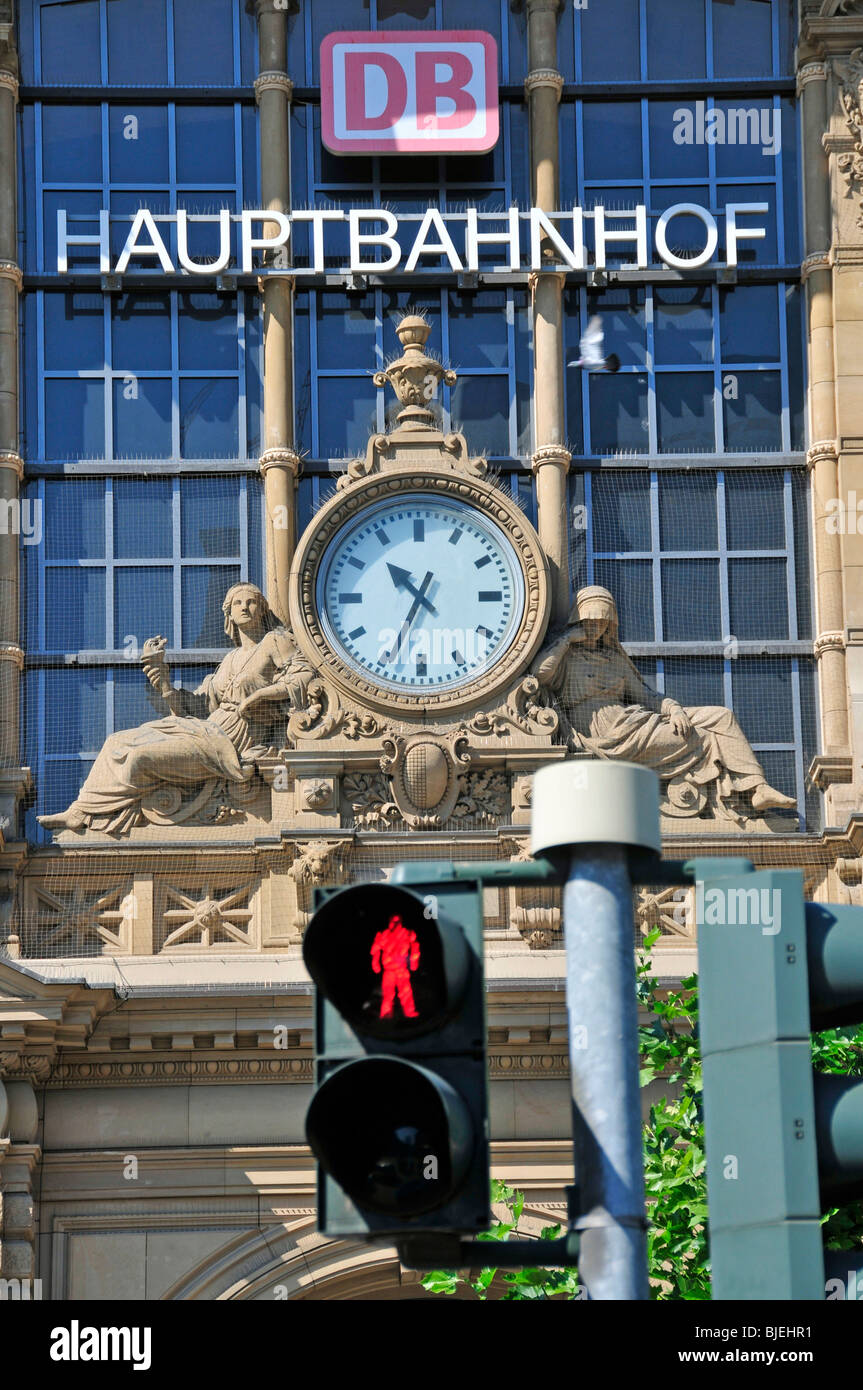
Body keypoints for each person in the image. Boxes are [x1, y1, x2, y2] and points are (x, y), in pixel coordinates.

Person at [39, 583, 316, 835]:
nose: (245, 607)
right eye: (237, 603)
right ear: (229, 615)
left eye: (252, 601)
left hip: (232, 741)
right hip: (208, 728)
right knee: (115, 742)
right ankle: (79, 811)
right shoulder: (230, 659)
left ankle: (101, 812)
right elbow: (198, 706)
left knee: (138, 759)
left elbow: (303, 678)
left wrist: (257, 697)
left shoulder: (275, 641)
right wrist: (163, 681)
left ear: (263, 609)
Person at [533, 585, 796, 816]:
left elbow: (646, 696)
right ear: (577, 620)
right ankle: (739, 791)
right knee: (703, 737)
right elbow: (539, 675)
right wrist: (566, 640)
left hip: (632, 721)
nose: (596, 627)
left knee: (722, 716)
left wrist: (674, 709)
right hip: (609, 736)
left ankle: (757, 788)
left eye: (603, 623)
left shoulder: (615, 660)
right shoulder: (566, 658)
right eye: (590, 621)